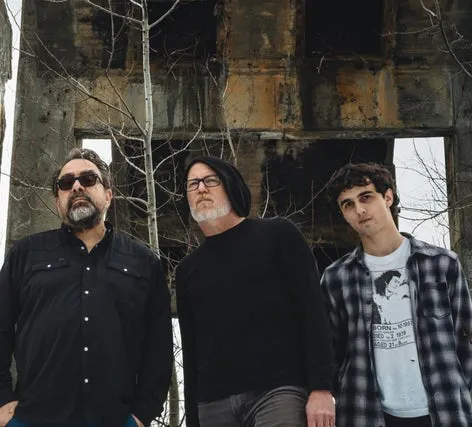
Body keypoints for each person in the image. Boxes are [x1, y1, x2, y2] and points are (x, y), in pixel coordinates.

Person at [0, 148, 173, 427]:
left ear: (108, 195)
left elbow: (158, 349)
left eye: (88, 179)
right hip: (33, 420)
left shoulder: (143, 263)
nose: (77, 186)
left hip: (115, 421)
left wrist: (142, 414)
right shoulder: (26, 254)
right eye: (66, 183)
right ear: (58, 202)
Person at [175, 156, 335, 427]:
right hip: (213, 406)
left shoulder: (278, 235)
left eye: (210, 180)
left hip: (278, 394)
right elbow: (191, 354)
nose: (201, 188)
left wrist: (322, 388)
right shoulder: (187, 270)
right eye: (193, 184)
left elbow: (313, 313)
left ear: (231, 186)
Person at [321, 162, 472, 427]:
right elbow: (332, 352)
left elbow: (466, 340)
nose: (359, 210)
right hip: (367, 412)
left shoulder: (441, 264)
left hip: (444, 409)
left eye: (366, 197)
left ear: (388, 197)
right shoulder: (337, 278)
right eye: (348, 204)